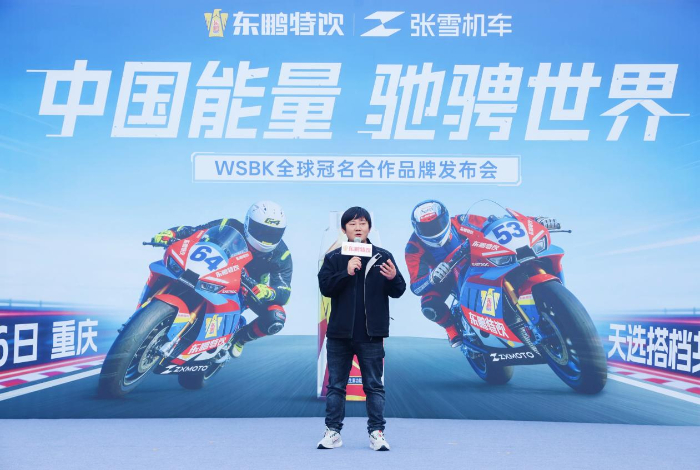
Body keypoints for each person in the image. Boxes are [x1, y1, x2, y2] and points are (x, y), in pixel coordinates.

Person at [405, 200, 559, 348]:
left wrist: (534, 221)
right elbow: (416, 286)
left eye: (437, 224)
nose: (434, 230)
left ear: (445, 218)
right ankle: (451, 330)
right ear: (417, 229)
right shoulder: (413, 247)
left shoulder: (460, 221)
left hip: (476, 261)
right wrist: (432, 278)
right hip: (446, 277)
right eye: (427, 228)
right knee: (429, 305)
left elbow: (495, 225)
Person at [151, 201, 292, 357]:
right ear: (248, 223)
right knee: (169, 266)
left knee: (276, 316)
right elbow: (196, 231)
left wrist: (270, 292)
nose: (265, 239)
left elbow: (285, 290)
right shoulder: (229, 224)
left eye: (272, 234)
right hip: (213, 270)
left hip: (247, 289)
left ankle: (240, 339)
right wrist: (172, 233)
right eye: (261, 231)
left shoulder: (282, 254)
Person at [317, 207, 406, 451]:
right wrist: (345, 272)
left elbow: (399, 290)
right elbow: (326, 288)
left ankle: (376, 433)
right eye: (353, 223)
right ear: (344, 229)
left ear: (369, 228)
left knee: (374, 386)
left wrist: (394, 278)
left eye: (363, 223)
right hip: (339, 335)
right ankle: (333, 432)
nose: (358, 228)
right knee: (336, 386)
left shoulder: (382, 256)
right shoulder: (334, 257)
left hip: (371, 335)